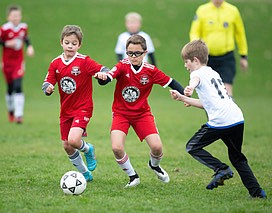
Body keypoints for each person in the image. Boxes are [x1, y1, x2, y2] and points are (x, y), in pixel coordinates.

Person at [170, 40, 266, 199]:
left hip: (220, 121)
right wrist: (182, 98)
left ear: (195, 60)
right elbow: (207, 104)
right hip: (236, 118)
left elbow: (194, 81)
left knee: (192, 147)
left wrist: (190, 88)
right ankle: (257, 193)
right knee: (237, 157)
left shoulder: (196, 73)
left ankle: (221, 169)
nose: (185, 66)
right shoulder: (213, 73)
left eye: (186, 62)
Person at [97, 34, 185, 188]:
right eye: (130, 53)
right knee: (116, 147)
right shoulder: (121, 66)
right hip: (121, 113)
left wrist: (185, 95)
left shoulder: (151, 70)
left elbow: (172, 82)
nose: (133, 56)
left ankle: (154, 165)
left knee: (157, 147)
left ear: (145, 53)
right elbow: (108, 78)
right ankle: (133, 177)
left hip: (142, 114)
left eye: (137, 53)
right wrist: (101, 78)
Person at [41, 25, 109, 182]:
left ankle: (89, 149)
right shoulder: (55, 63)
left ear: (79, 45)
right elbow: (47, 81)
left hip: (83, 107)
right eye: (67, 42)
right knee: (67, 145)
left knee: (73, 140)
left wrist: (102, 74)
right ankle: (85, 173)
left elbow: (104, 69)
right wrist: (49, 88)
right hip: (66, 110)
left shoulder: (84, 61)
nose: (70, 46)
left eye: (74, 43)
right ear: (61, 43)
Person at [189, 0, 248, 97]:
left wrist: (243, 55)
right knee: (210, 93)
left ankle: (229, 111)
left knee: (226, 90)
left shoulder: (233, 11)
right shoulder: (202, 10)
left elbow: (240, 34)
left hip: (226, 58)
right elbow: (194, 32)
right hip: (207, 59)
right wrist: (196, 49)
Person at [0, 5, 35, 124]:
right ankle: (11, 111)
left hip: (19, 62)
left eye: (18, 16)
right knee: (10, 88)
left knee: (18, 86)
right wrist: (6, 43)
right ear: (8, 17)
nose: (16, 18)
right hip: (6, 63)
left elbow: (25, 38)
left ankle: (19, 115)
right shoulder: (4, 29)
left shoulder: (23, 27)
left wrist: (29, 47)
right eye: (13, 16)